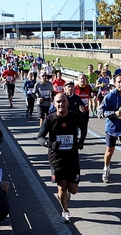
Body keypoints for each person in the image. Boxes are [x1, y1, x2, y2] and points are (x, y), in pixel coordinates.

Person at [37, 93, 86, 224]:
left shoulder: (74, 117)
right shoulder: (50, 119)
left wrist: (81, 140)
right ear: (54, 103)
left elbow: (84, 126)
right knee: (61, 186)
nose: (61, 104)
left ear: (67, 103)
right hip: (56, 158)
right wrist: (50, 144)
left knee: (73, 190)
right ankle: (65, 211)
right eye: (58, 102)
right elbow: (39, 138)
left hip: (72, 157)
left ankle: (66, 195)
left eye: (63, 101)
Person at [101, 74, 121, 185]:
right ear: (115, 83)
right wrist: (114, 113)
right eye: (118, 82)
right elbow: (101, 112)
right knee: (110, 151)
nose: (120, 84)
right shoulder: (110, 96)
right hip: (112, 128)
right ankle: (106, 168)